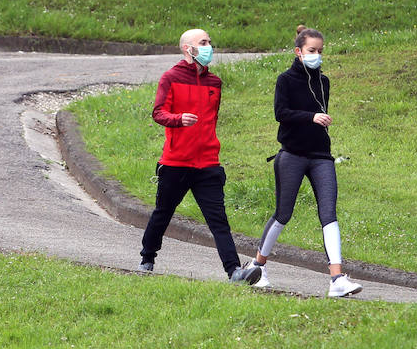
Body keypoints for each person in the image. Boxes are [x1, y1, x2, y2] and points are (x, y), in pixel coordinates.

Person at [233, 26, 362, 298]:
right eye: (311, 51)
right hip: (291, 155)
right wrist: (311, 117)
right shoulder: (286, 80)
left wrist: (319, 121)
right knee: (283, 214)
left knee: (329, 214)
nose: (317, 56)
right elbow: (281, 113)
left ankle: (337, 279)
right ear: (298, 52)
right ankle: (258, 266)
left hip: (321, 157)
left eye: (320, 51)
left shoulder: (323, 82)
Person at [139, 28, 261, 284]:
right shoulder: (170, 77)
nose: (209, 46)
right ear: (188, 49)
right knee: (163, 213)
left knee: (219, 220)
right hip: (176, 162)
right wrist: (178, 119)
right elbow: (158, 112)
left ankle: (234, 272)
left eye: (209, 42)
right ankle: (147, 258)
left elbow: (211, 120)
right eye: (203, 42)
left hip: (208, 163)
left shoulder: (214, 82)